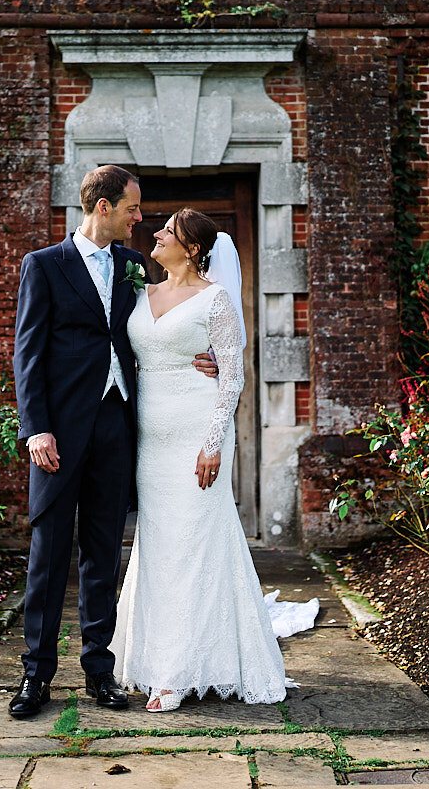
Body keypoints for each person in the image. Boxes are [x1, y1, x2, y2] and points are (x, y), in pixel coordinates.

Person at [9, 166, 215, 719]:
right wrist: (36, 428)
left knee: (104, 553)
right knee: (49, 555)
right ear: (104, 207)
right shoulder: (44, 266)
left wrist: (210, 357)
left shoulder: (132, 266)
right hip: (58, 431)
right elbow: (26, 354)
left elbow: (167, 321)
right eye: (132, 208)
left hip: (117, 425)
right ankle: (36, 675)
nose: (140, 218)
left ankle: (100, 669)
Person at [109, 208, 287, 712]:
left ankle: (173, 673)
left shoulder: (216, 299)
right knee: (159, 545)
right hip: (149, 439)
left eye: (168, 233)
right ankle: (146, 656)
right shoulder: (139, 293)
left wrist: (213, 441)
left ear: (191, 249)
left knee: (192, 546)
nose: (156, 235)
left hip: (196, 434)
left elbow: (231, 375)